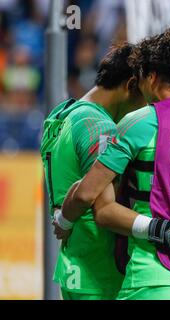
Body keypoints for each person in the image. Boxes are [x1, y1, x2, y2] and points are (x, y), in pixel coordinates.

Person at [60, 29, 170, 300]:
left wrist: (63, 220)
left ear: (152, 77)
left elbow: (89, 196)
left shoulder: (142, 121)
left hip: (152, 280)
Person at [40, 42, 147, 300]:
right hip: (100, 273)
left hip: (76, 267)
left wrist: (63, 219)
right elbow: (93, 198)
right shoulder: (97, 125)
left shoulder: (63, 114)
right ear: (131, 85)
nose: (147, 105)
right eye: (145, 94)